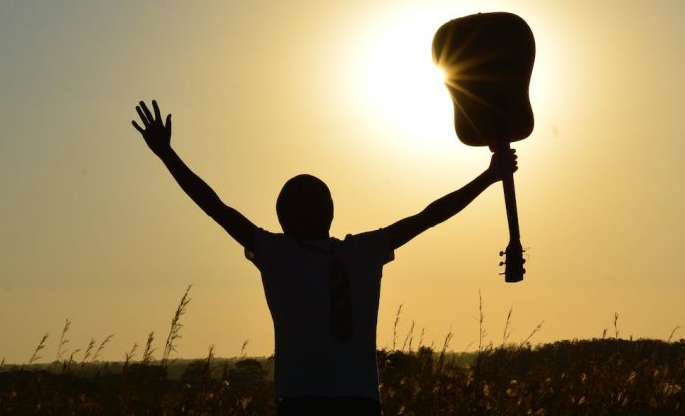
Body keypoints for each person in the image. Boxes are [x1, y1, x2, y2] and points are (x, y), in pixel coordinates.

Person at [131, 100, 517, 415]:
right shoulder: (340, 252)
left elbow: (215, 207)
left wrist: (488, 177)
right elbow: (428, 217)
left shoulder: (293, 252)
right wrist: (487, 177)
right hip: (336, 402)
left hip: (327, 402)